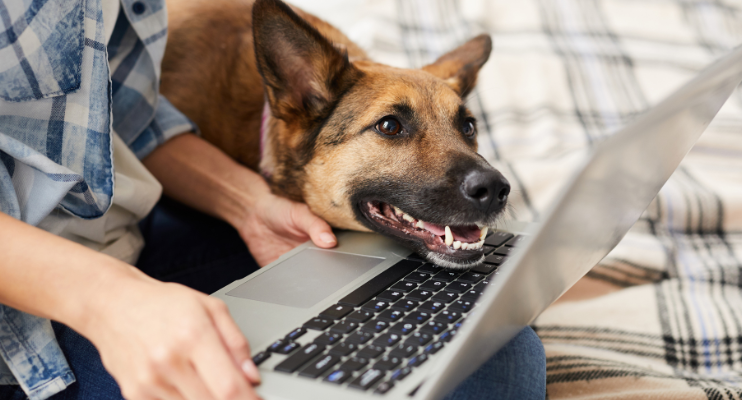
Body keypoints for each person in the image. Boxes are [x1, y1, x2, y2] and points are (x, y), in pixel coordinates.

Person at [0, 0, 546, 399]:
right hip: (24, 328)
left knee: (496, 354)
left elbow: (130, 121)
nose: (488, 183)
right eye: (391, 127)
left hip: (121, 235)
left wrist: (248, 205)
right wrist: (110, 301)